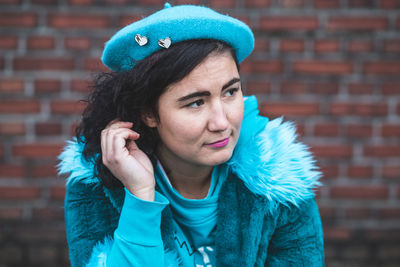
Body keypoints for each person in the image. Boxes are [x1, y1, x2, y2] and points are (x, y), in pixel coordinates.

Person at [58, 3, 324, 267]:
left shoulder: (278, 182)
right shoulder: (97, 187)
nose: (222, 123)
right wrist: (140, 198)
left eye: (230, 92)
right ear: (148, 113)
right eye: (196, 102)